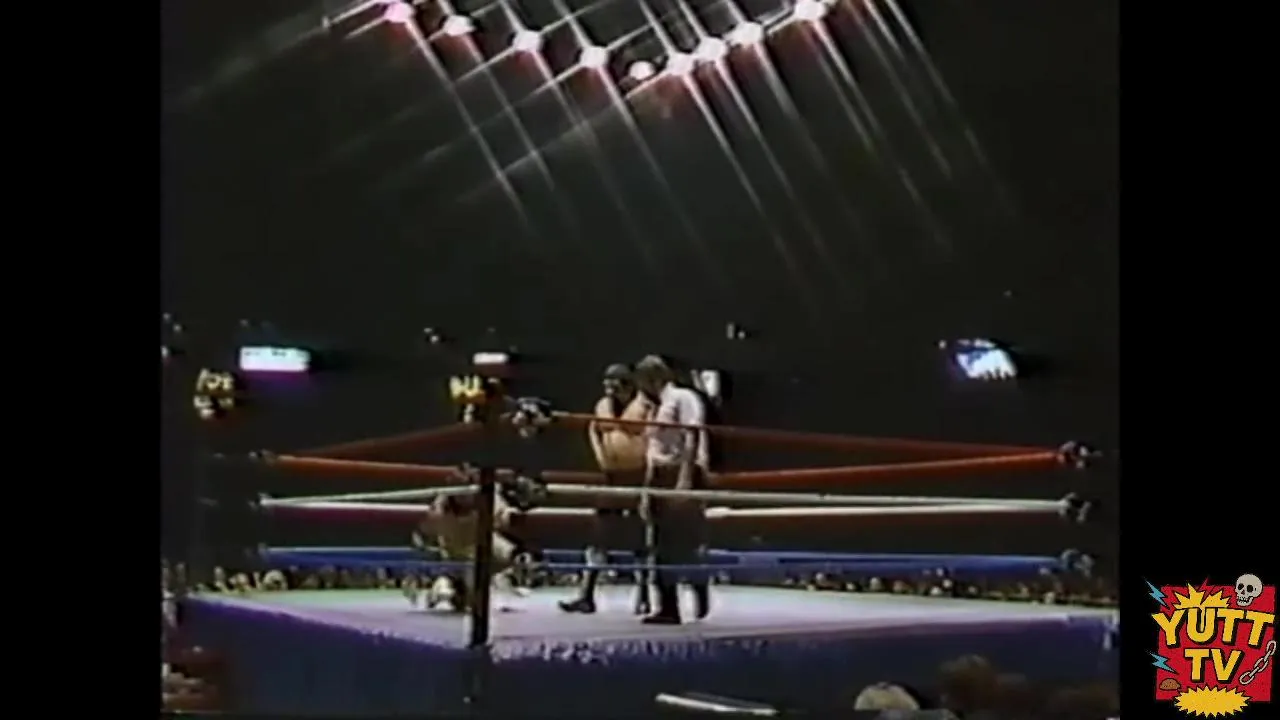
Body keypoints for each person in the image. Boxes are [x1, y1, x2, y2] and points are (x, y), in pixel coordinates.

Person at [561, 363, 656, 615]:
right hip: (610, 476)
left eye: (614, 384)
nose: (609, 389)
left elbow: (653, 437)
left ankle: (644, 595)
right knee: (600, 534)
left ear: (627, 384)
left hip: (638, 475)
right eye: (607, 384)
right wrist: (600, 456)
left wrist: (649, 469)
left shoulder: (645, 405)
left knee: (639, 536)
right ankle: (587, 594)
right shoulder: (602, 405)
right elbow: (593, 428)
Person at [634, 354, 711, 624]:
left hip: (681, 470)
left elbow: (692, 434)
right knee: (658, 543)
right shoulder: (654, 407)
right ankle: (668, 607)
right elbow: (653, 450)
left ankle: (699, 585)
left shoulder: (683, 397)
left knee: (685, 540)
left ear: (653, 377)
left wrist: (686, 479)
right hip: (660, 474)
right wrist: (647, 490)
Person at [409, 484, 530, 613]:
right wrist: (422, 541)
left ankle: (513, 580)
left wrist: (512, 517)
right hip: (459, 554)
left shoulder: (486, 494)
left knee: (518, 556)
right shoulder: (440, 507)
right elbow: (425, 530)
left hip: (487, 543)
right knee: (473, 601)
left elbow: (503, 516)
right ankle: (450, 590)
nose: (464, 496)